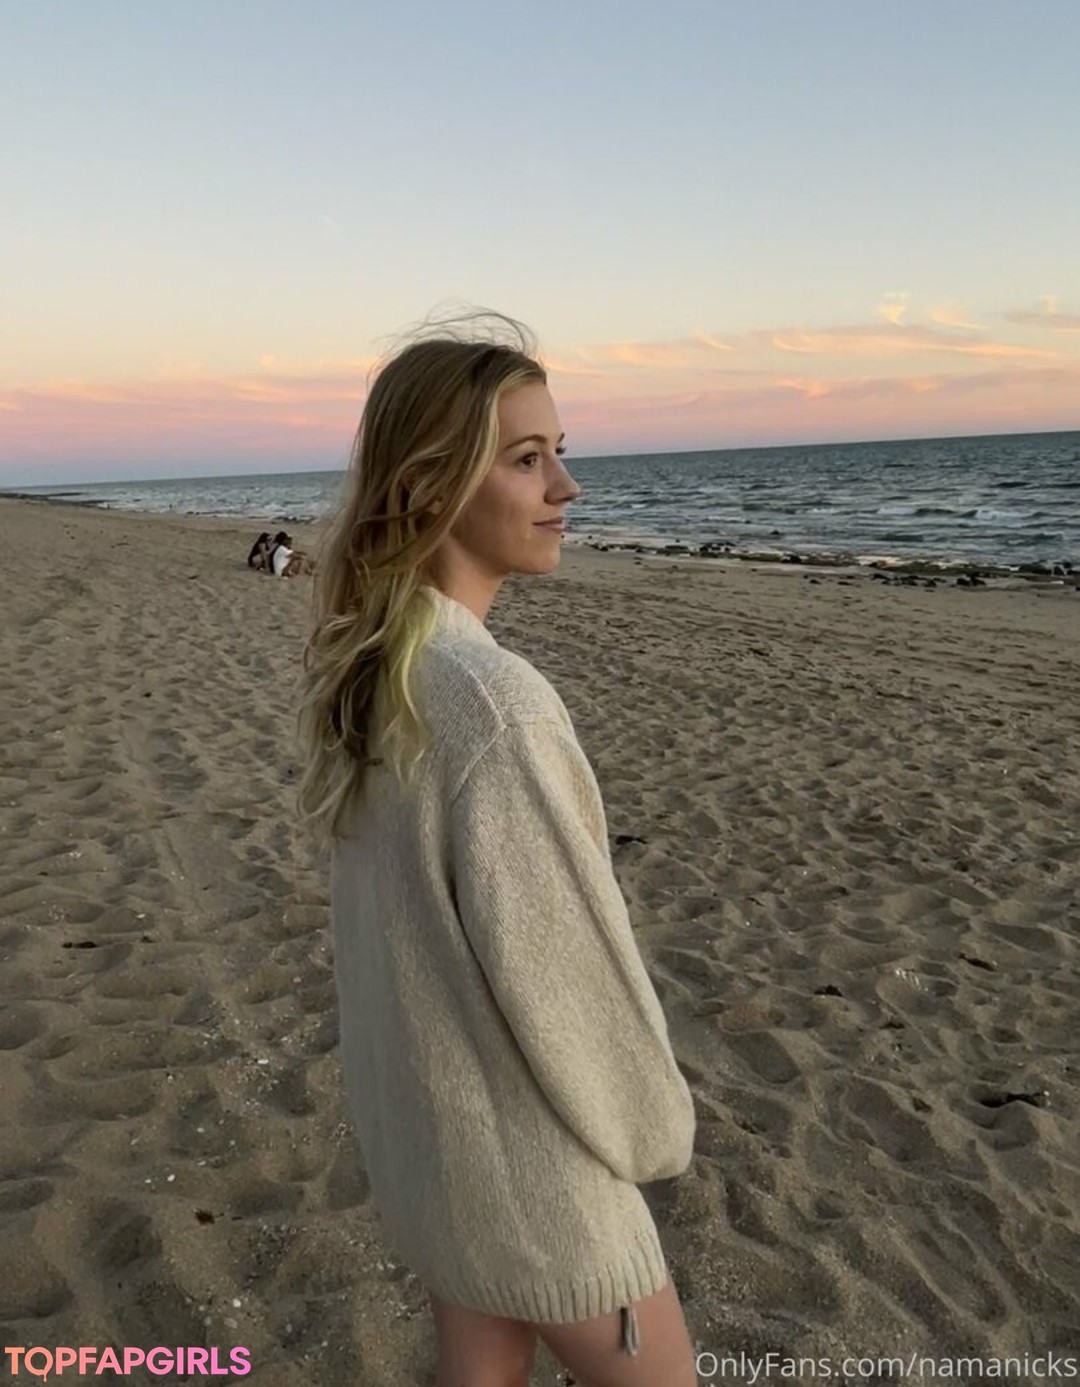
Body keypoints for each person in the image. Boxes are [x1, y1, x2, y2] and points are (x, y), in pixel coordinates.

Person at [296, 310, 698, 1387]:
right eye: (527, 459)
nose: (567, 485)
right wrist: (655, 1131)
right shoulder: (492, 704)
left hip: (437, 1158)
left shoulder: (381, 675)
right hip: (537, 1179)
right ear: (431, 486)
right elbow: (571, 977)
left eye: (560, 451)